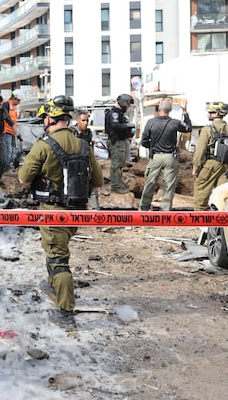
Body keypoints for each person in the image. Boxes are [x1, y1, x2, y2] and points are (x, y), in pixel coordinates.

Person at [18, 96, 102, 328]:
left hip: (53, 213)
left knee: (58, 260)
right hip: (76, 213)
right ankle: (52, 285)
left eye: (45, 117)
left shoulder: (44, 145)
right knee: (55, 250)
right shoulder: (83, 145)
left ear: (50, 118)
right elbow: (97, 183)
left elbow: (23, 179)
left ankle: (65, 312)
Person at [138, 98, 192, 211]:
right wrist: (185, 112)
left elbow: (143, 142)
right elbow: (188, 128)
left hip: (155, 157)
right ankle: (165, 211)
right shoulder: (175, 123)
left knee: (150, 183)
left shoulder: (150, 122)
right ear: (170, 110)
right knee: (169, 186)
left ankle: (143, 208)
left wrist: (152, 147)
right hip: (170, 157)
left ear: (159, 108)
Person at [193, 101, 228, 211]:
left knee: (201, 190)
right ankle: (222, 217)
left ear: (216, 114)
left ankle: (200, 216)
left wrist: (196, 167)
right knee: (223, 195)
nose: (208, 114)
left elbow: (200, 151)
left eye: (210, 112)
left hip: (211, 165)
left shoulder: (207, 130)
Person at [105, 93, 136, 193]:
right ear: (124, 103)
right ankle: (115, 186)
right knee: (117, 164)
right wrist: (128, 126)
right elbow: (116, 126)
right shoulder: (114, 113)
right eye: (128, 105)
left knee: (120, 163)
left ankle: (118, 182)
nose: (128, 107)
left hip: (120, 141)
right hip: (116, 142)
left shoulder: (120, 114)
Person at [71, 109, 100, 210]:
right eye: (83, 120)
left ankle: (95, 211)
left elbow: (90, 148)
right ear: (77, 120)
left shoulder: (88, 133)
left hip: (86, 163)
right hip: (74, 165)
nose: (85, 123)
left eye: (87, 120)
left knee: (92, 186)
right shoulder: (72, 132)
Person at [3, 91, 21, 169]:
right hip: (6, 131)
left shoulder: (13, 107)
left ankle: (9, 164)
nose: (19, 103)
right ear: (14, 98)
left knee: (13, 149)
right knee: (8, 150)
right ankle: (5, 166)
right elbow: (5, 118)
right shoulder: (6, 105)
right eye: (19, 100)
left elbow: (14, 121)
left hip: (12, 131)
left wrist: (17, 132)